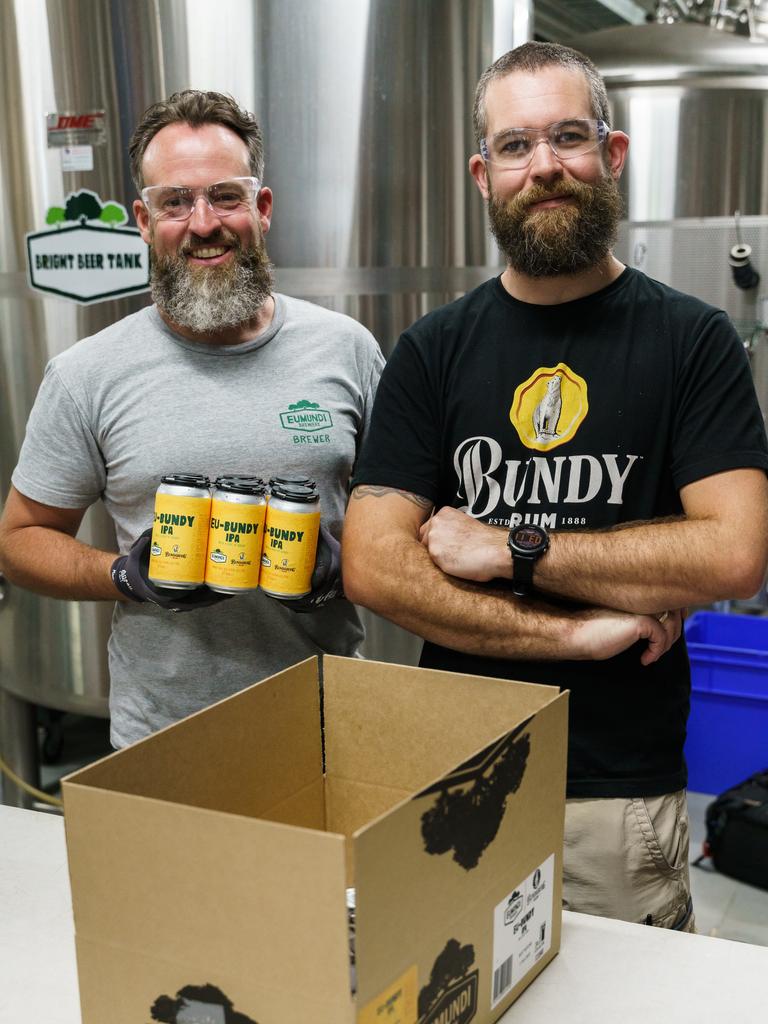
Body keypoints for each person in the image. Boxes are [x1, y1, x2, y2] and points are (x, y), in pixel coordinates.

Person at [342, 42, 768, 931]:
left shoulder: (693, 341)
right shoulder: (433, 349)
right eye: (515, 145)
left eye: (569, 137)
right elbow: (377, 572)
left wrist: (511, 548)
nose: (544, 166)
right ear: (482, 173)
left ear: (611, 155)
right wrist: (578, 634)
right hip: (452, 777)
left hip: (612, 796)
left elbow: (732, 553)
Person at [0, 90, 383, 748]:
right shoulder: (88, 372)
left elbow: (413, 521)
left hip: (328, 729)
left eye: (225, 196)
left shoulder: (347, 349)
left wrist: (341, 568)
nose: (204, 223)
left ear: (261, 209)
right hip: (164, 743)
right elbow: (19, 538)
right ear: (145, 223)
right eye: (176, 202)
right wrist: (123, 576)